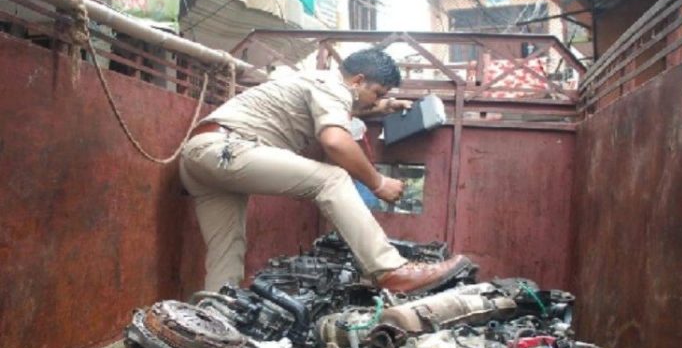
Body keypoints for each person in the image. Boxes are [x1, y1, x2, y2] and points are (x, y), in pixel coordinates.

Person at [179, 48, 468, 293]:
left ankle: (213, 325)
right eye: (377, 92)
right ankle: (389, 269)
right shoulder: (331, 85)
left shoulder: (318, 83)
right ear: (358, 80)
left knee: (227, 254)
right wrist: (378, 183)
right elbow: (335, 141)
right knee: (332, 179)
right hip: (228, 148)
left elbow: (345, 109)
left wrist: (381, 106)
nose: (374, 99)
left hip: (201, 157)